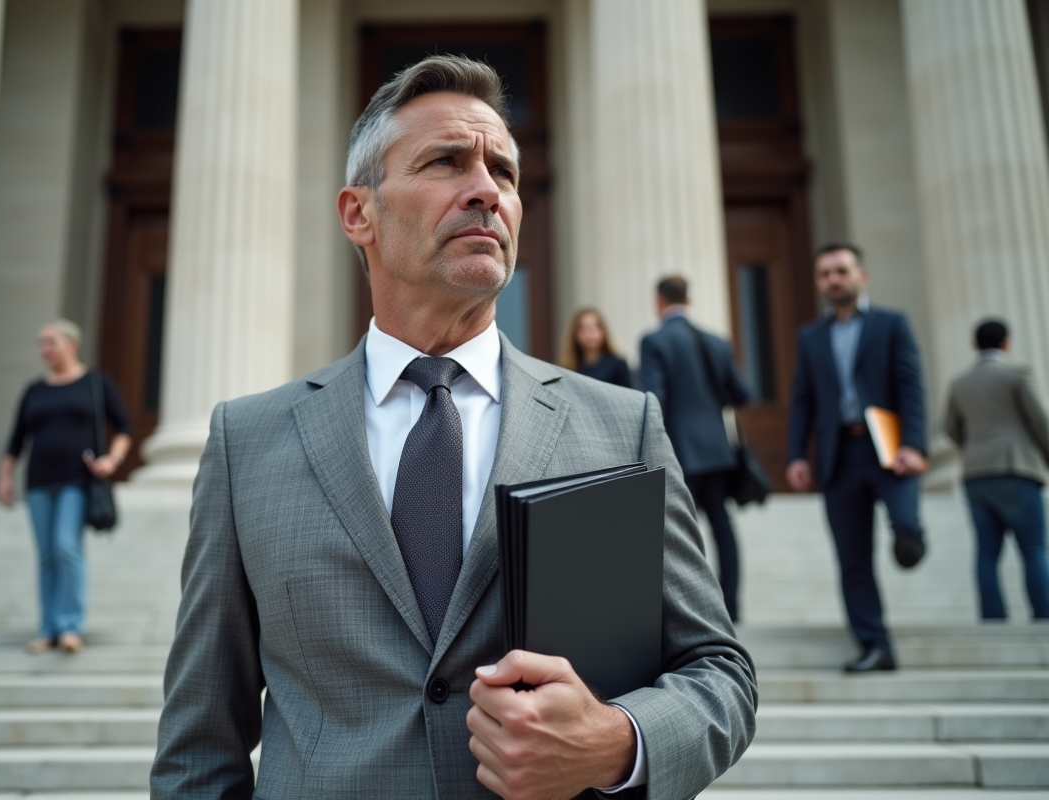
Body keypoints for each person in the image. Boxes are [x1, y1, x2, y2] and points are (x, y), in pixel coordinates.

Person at [151, 55, 755, 800]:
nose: (486, 192)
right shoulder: (247, 443)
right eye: (446, 162)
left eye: (503, 171)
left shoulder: (622, 424)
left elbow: (719, 674)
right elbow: (198, 748)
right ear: (358, 213)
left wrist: (616, 741)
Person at [786, 243, 928, 673]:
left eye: (841, 271)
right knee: (852, 558)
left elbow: (911, 387)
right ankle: (875, 645)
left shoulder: (891, 324)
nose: (834, 279)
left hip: (889, 449)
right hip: (839, 456)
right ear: (818, 281)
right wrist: (796, 454)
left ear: (861, 275)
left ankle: (912, 535)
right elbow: (802, 400)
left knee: (904, 527)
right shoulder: (810, 336)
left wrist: (915, 445)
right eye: (826, 273)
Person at [0, 320, 131, 654]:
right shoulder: (34, 389)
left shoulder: (96, 382)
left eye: (51, 342)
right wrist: (4, 478)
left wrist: (111, 460)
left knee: (65, 546)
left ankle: (71, 626)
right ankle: (48, 628)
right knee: (45, 555)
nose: (45, 349)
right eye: (41, 343)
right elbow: (16, 439)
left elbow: (125, 426)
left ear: (72, 345)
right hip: (39, 480)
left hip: (77, 479)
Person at [640, 276, 750, 622]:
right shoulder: (715, 342)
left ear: (659, 302)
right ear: (688, 300)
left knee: (673, 531)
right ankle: (731, 605)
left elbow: (655, 400)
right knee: (721, 525)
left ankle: (688, 611)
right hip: (717, 449)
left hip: (679, 451)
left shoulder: (655, 341)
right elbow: (742, 393)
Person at [944, 319, 1049, 620]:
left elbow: (951, 428)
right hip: (1015, 468)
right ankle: (1044, 616)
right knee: (1033, 549)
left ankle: (993, 618)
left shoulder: (959, 383)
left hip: (976, 474)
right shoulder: (1016, 374)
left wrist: (975, 449)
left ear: (975, 346)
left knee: (986, 553)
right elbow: (1039, 420)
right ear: (1006, 343)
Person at [559, 308, 632, 387]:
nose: (589, 334)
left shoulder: (618, 364)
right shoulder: (568, 367)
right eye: (583, 329)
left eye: (594, 328)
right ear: (574, 334)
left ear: (603, 331)